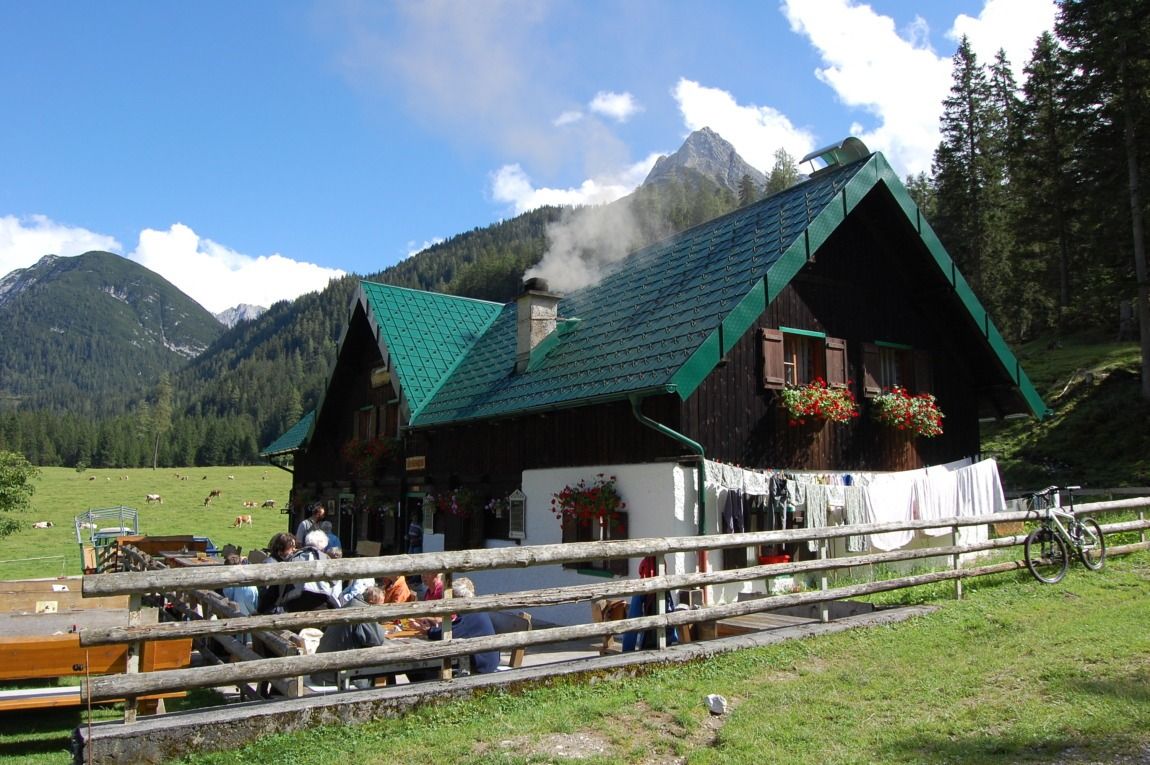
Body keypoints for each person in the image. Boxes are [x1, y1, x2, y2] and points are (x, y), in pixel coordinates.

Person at [310, 586, 388, 688]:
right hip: (333, 677)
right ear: (372, 602)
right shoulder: (362, 610)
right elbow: (377, 639)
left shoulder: (351, 605)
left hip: (320, 673)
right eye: (380, 607)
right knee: (379, 667)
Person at [423, 577, 499, 675]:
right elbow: (456, 626)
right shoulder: (474, 610)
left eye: (452, 599)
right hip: (483, 661)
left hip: (481, 667)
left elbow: (449, 633)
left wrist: (428, 631)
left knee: (428, 670)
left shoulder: (469, 615)